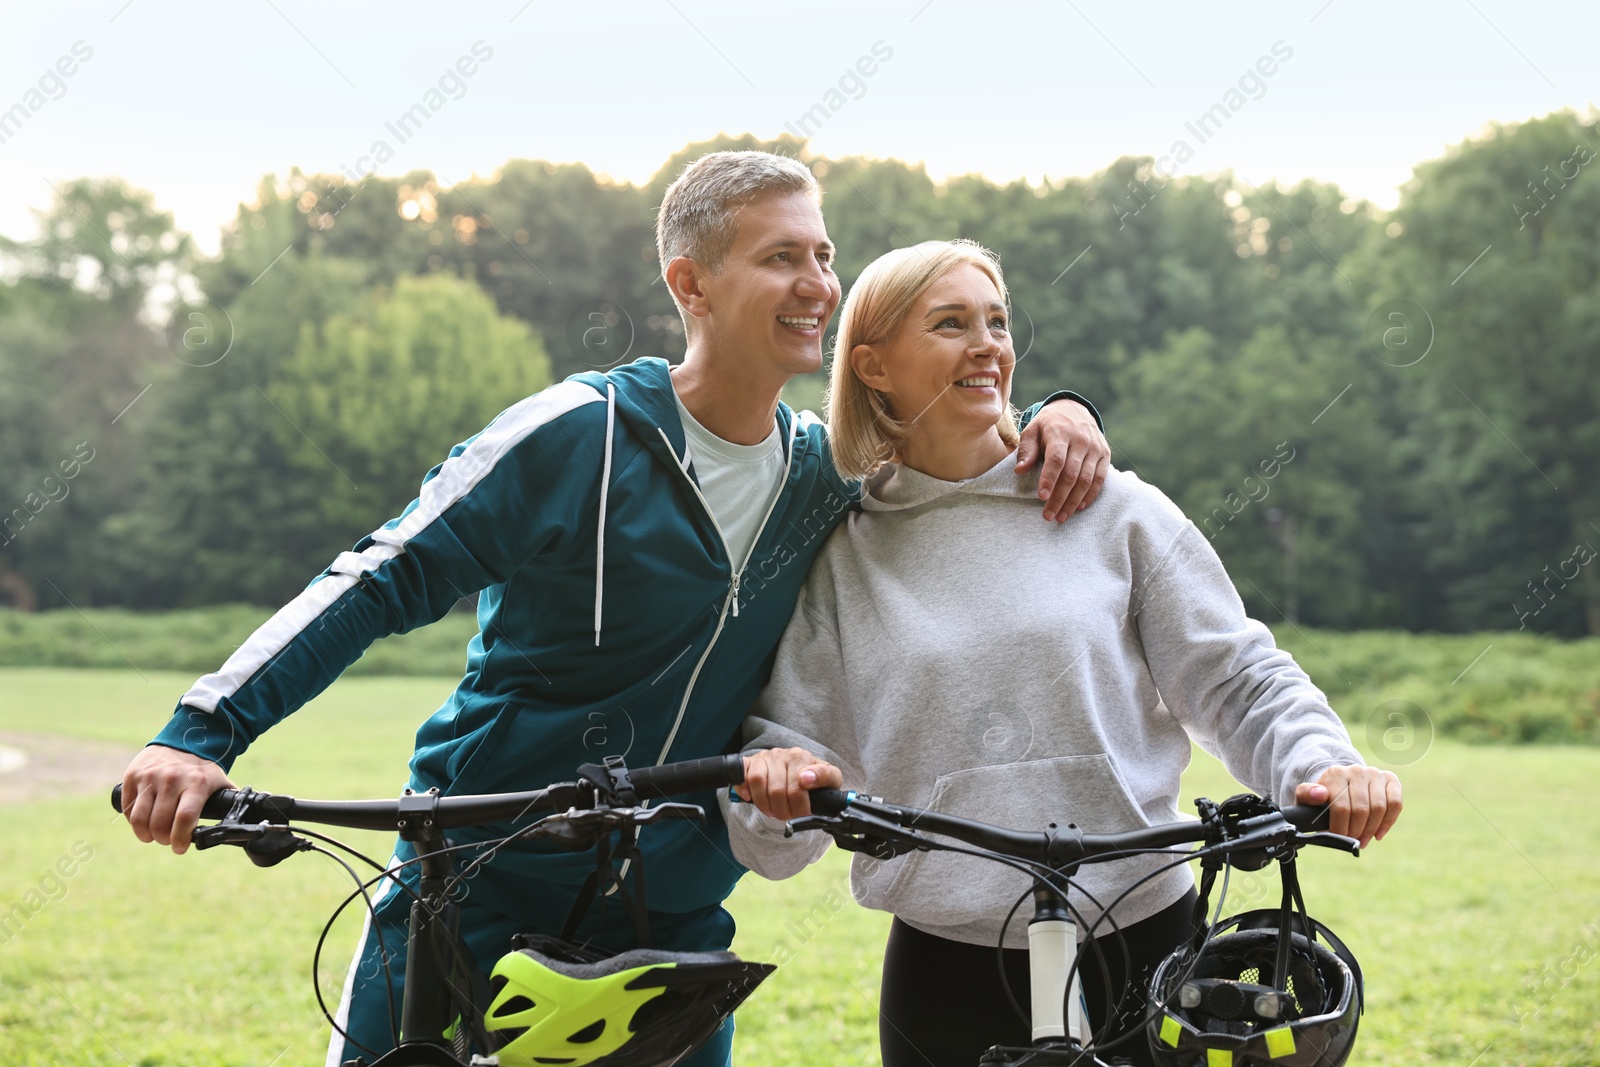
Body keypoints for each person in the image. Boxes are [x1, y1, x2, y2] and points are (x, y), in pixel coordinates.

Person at [117, 153, 1112, 1067]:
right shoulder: (575, 436)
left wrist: (1067, 407)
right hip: (473, 891)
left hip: (668, 928)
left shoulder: (826, 475)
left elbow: (962, 433)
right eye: (780, 257)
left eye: (824, 254)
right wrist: (199, 732)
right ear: (691, 282)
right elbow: (378, 578)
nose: (818, 285)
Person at [729, 239, 1402, 1067]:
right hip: (943, 953)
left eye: (998, 321)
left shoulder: (1109, 507)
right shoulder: (845, 554)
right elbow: (785, 757)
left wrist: (1325, 761)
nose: (989, 344)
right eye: (951, 323)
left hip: (1145, 930)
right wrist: (781, 782)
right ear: (873, 365)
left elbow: (1237, 675)